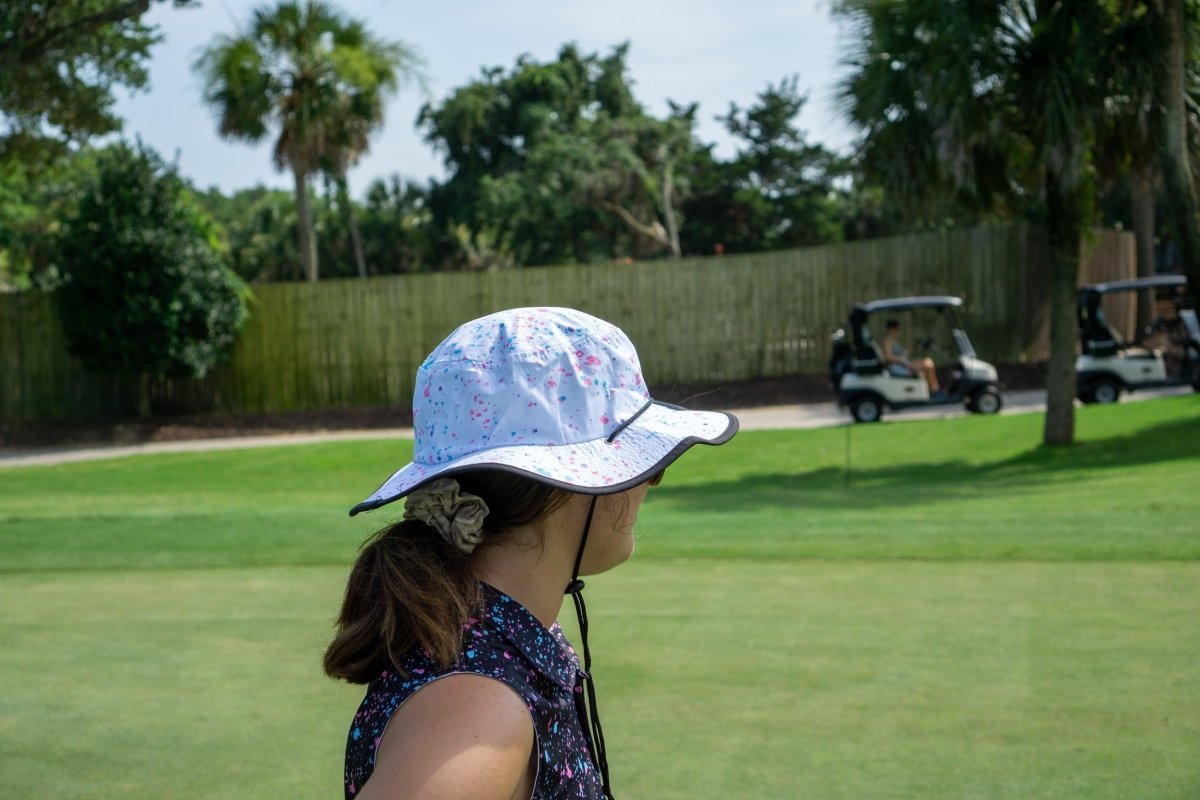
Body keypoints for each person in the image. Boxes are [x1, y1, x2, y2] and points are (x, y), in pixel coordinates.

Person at [323, 306, 739, 800]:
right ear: (566, 486)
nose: (649, 479)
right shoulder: (478, 705)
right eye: (644, 464)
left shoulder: (501, 640)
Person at [881, 318, 941, 395]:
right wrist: (901, 359)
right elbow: (888, 357)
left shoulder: (892, 339)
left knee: (928, 361)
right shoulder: (888, 340)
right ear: (893, 329)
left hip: (903, 363)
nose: (899, 331)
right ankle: (934, 390)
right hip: (899, 366)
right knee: (928, 365)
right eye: (898, 329)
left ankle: (933, 388)